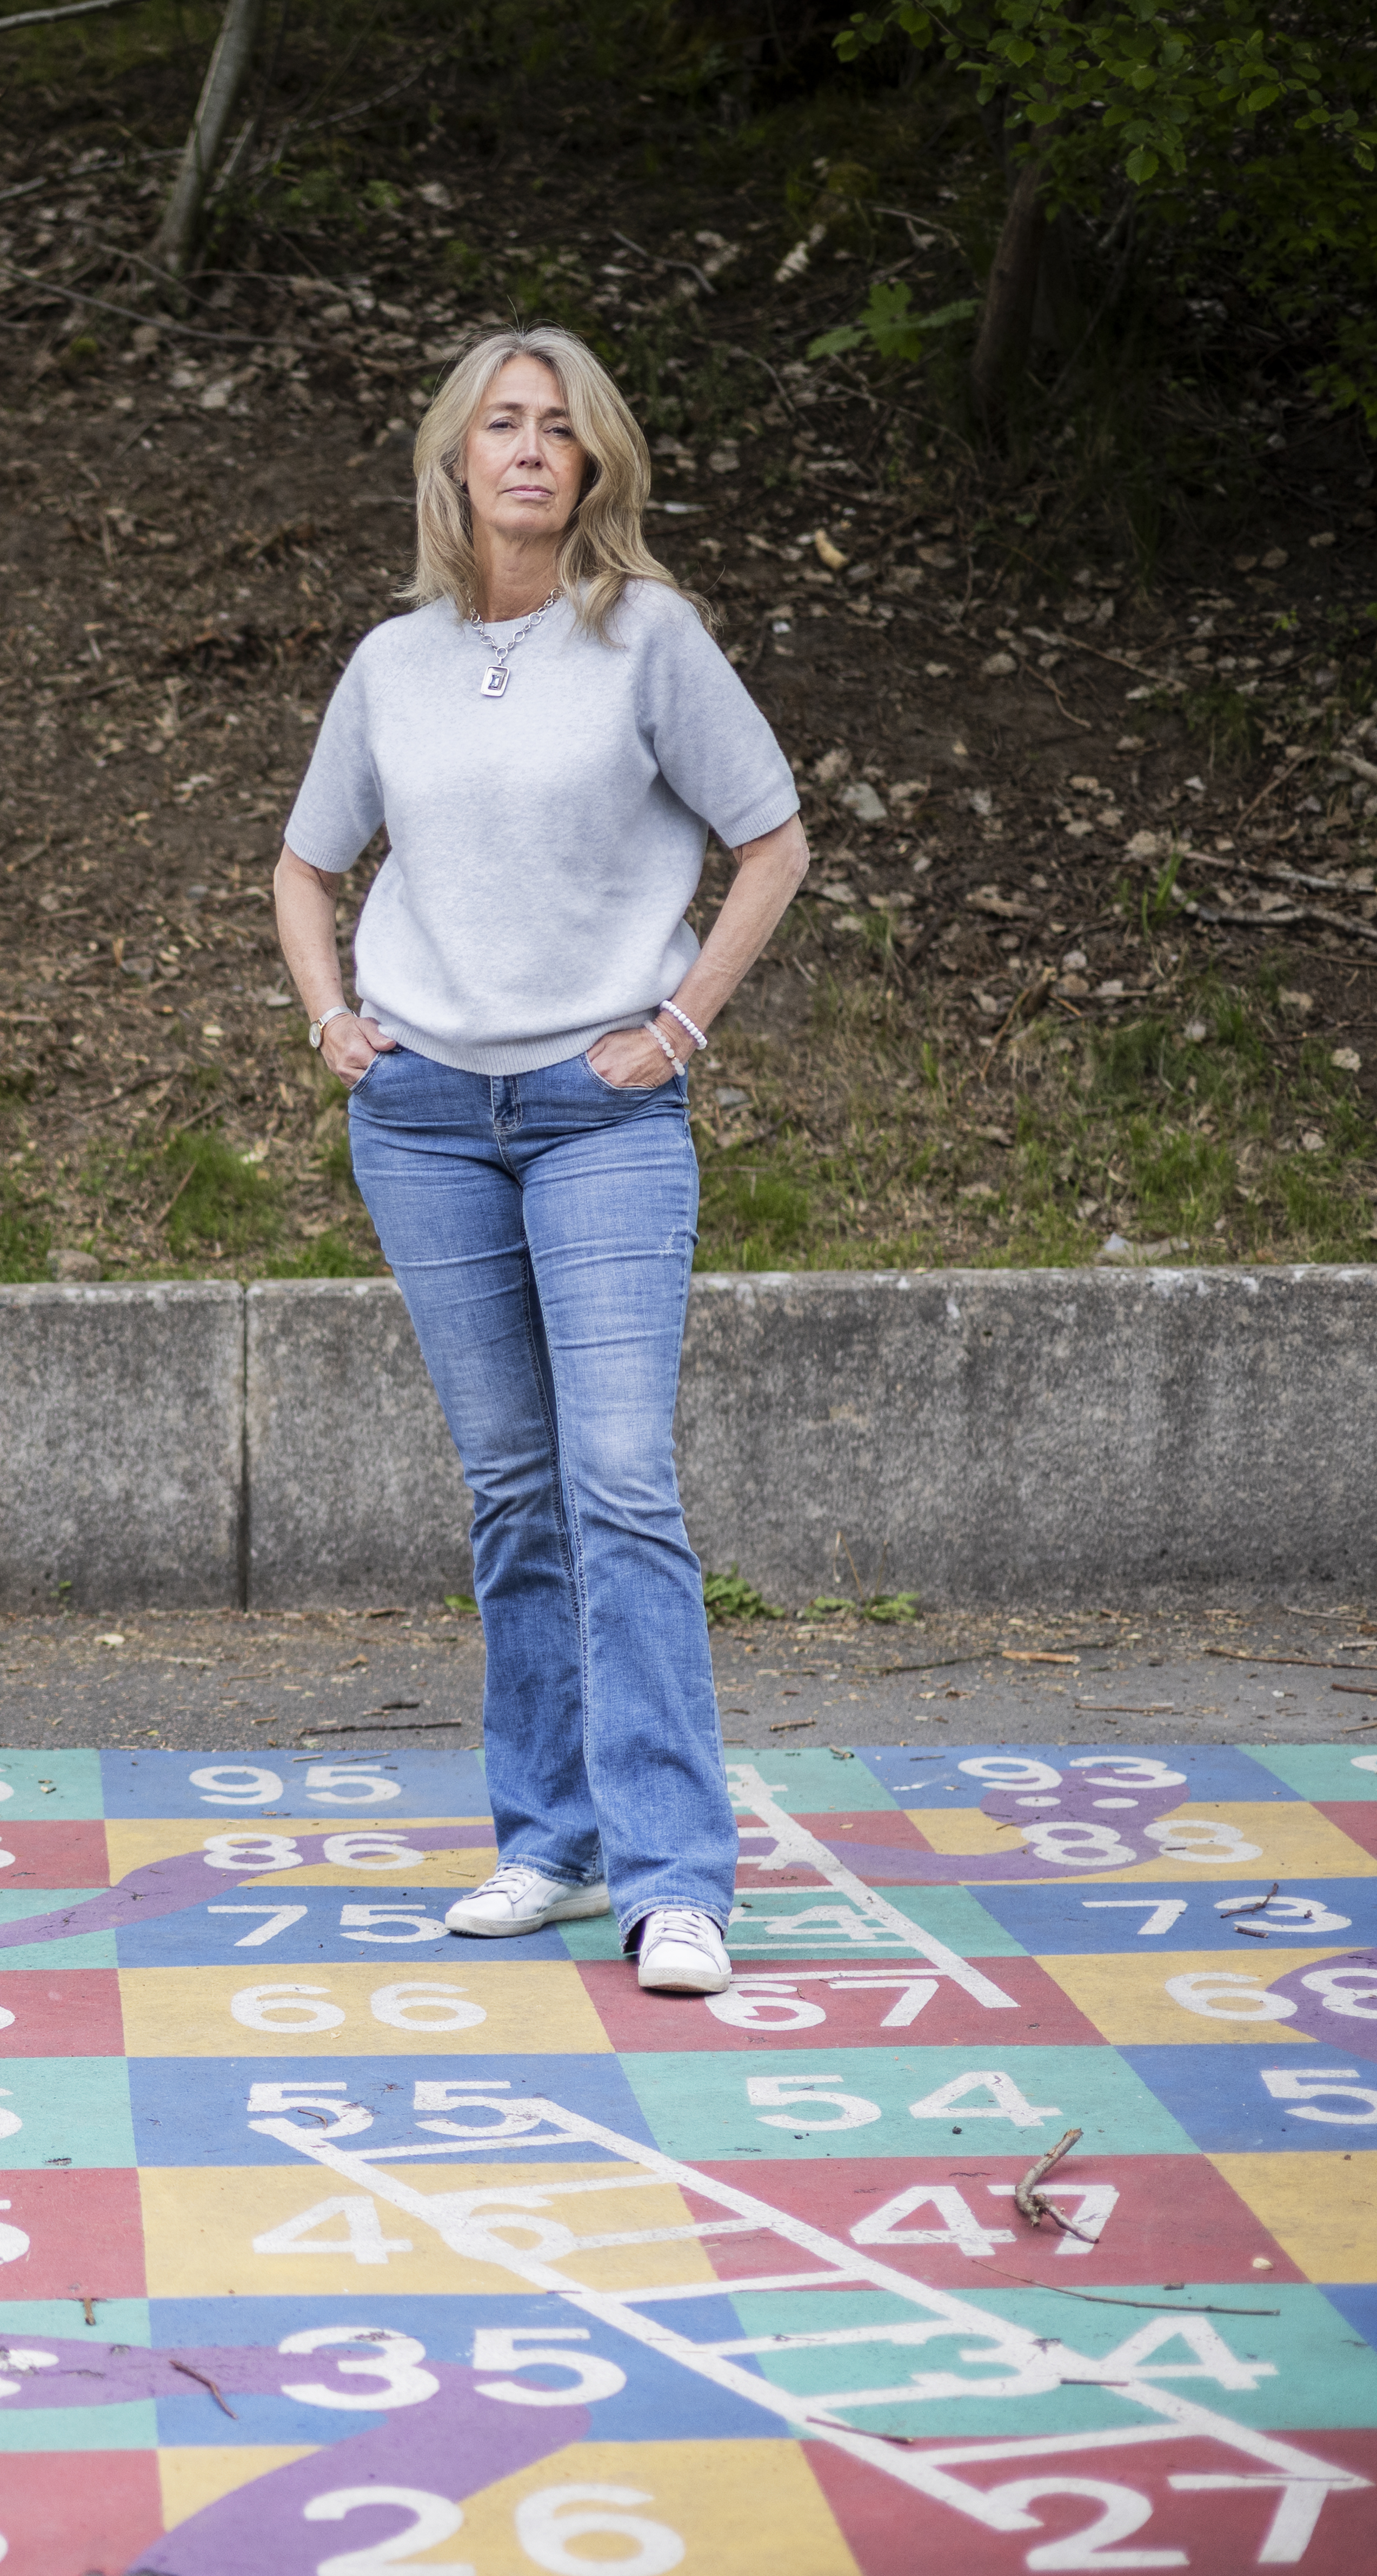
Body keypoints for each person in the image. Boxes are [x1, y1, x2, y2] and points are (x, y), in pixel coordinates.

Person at [267, 326, 809, 1999]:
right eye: (499, 424)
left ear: (594, 469)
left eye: (557, 430)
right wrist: (332, 1017)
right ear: (455, 461)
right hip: (424, 1119)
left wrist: (683, 1026)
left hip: (600, 1119)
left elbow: (774, 843)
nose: (526, 450)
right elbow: (304, 866)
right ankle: (549, 1839)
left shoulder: (650, 640)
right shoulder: (392, 662)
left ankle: (674, 1878)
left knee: (621, 1480)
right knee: (513, 1491)